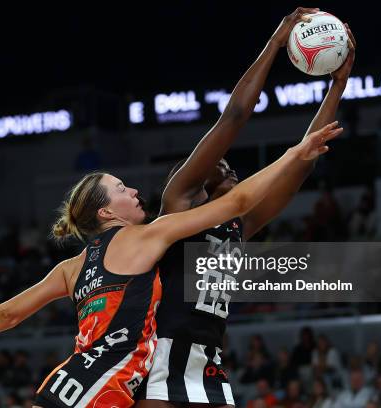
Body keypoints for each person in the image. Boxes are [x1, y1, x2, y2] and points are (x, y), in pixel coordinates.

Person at [0, 118, 341, 407]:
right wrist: (293, 154)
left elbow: (8, 313)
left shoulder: (70, 269)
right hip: (109, 380)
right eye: (123, 189)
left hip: (73, 378)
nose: (134, 192)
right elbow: (240, 199)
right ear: (107, 212)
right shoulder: (144, 238)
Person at [136, 10, 356, 408]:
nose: (229, 164)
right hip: (163, 358)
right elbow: (235, 116)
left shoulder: (239, 225)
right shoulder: (179, 204)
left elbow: (302, 164)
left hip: (209, 362)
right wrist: (275, 42)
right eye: (219, 167)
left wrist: (337, 87)